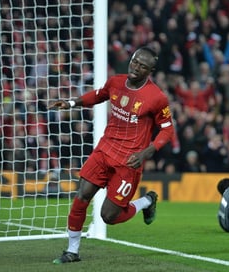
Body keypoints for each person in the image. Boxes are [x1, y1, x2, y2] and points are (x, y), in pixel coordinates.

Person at [48, 46, 175, 263]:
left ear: (150, 71)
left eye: (142, 66)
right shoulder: (116, 82)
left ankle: (146, 201)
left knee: (108, 216)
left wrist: (146, 152)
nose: (136, 67)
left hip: (128, 161)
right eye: (135, 62)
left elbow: (167, 129)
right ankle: (72, 251)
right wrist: (71, 103)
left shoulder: (156, 98)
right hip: (104, 151)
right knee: (81, 197)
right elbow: (98, 95)